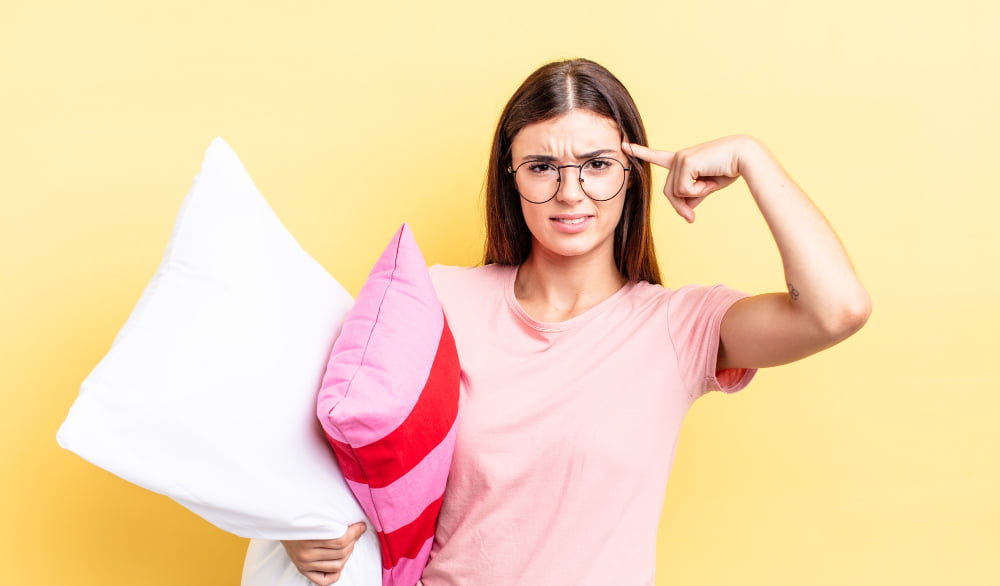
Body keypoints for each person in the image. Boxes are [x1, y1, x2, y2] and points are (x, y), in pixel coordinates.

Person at [282, 58, 871, 585]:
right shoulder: (439, 297)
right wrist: (300, 528)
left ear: (633, 173)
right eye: (542, 166)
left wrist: (751, 157)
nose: (571, 193)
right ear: (510, 179)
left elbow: (836, 310)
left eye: (596, 164)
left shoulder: (678, 326)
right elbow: (345, 444)